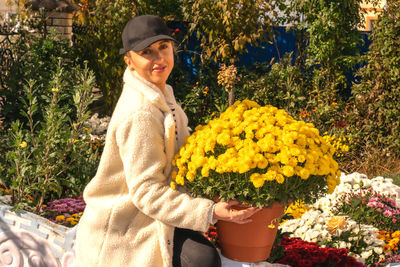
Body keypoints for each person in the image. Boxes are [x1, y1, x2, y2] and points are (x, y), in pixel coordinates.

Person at [75, 15, 260, 267]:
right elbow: (147, 193)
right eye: (146, 52)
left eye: (163, 47)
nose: (159, 58)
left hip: (151, 214)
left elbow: (182, 152)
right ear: (129, 61)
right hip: (126, 227)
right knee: (202, 261)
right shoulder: (140, 112)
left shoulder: (161, 93)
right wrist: (209, 212)